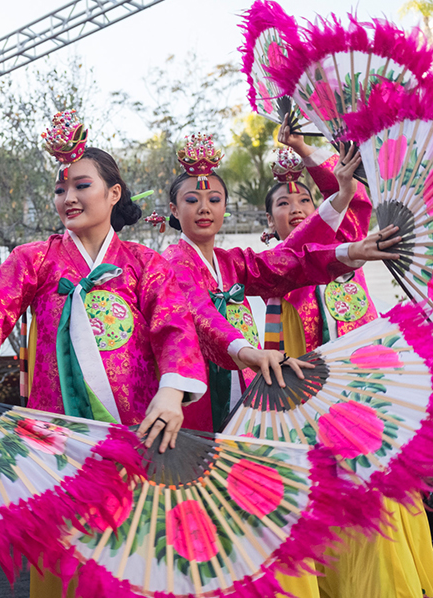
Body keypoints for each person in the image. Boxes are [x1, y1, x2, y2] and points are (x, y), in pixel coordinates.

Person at [0, 110, 208, 597]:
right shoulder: (33, 259)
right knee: (61, 566)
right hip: (55, 442)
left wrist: (172, 393)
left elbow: (175, 327)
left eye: (82, 186)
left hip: (136, 433)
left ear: (114, 193)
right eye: (61, 189)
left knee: (134, 563)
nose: (69, 198)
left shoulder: (146, 264)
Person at [264, 127, 433, 598]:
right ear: (268, 219)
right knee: (337, 512)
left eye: (302, 199)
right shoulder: (280, 268)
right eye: (281, 203)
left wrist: (305, 150)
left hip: (370, 396)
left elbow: (351, 199)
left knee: (387, 502)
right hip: (316, 413)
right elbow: (308, 238)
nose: (294, 208)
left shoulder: (352, 248)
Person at [161, 133, 400, 434]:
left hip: (270, 373)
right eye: (192, 200)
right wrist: (249, 352)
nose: (204, 208)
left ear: (226, 207)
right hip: (210, 385)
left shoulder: (230, 262)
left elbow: (290, 263)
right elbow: (201, 312)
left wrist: (351, 250)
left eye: (214, 199)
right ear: (173, 209)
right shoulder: (172, 262)